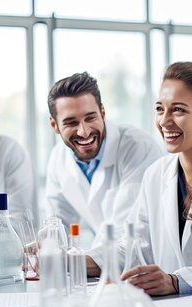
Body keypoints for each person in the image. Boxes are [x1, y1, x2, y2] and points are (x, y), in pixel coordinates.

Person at [86, 62, 192, 295]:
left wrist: (176, 282)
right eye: (159, 109)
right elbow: (134, 247)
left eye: (178, 110)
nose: (165, 121)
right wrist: (74, 262)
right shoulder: (156, 174)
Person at [45, 72, 163, 243]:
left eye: (90, 117)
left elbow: (127, 233)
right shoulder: (58, 158)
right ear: (54, 125)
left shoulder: (137, 147)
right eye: (71, 122)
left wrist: (73, 259)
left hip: (149, 261)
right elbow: (56, 226)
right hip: (106, 262)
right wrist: (45, 247)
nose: (83, 132)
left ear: (102, 112)